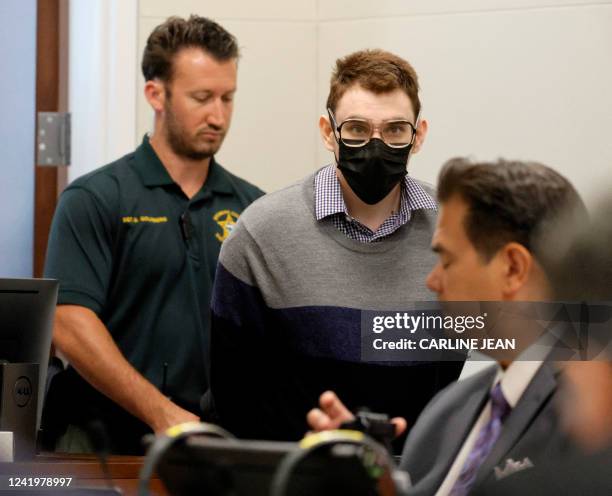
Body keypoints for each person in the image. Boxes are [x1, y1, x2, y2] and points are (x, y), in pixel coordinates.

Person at [206, 49, 462, 444]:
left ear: (419, 135)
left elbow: (518, 344)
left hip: (422, 477)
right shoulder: (261, 235)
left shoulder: (457, 234)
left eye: (395, 130)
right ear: (329, 132)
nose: (376, 146)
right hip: (295, 475)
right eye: (357, 129)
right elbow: (234, 394)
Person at [42, 15, 264, 454]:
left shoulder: (254, 208)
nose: (218, 115)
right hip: (100, 441)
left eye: (227, 98)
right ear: (155, 94)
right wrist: (161, 412)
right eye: (201, 97)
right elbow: (68, 323)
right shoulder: (95, 198)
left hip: (209, 444)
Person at [308, 158, 588, 495]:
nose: (433, 280)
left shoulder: (593, 415)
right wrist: (367, 479)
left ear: (513, 268)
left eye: (447, 260)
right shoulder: (448, 411)